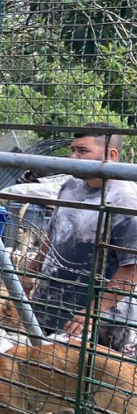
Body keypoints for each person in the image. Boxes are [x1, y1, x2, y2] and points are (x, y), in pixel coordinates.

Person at [30, 129, 137, 338]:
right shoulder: (70, 187)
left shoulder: (126, 200)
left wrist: (92, 312)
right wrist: (30, 274)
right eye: (72, 150)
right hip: (51, 309)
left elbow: (132, 268)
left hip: (98, 324)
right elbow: (54, 235)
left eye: (82, 151)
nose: (73, 157)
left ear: (111, 155)